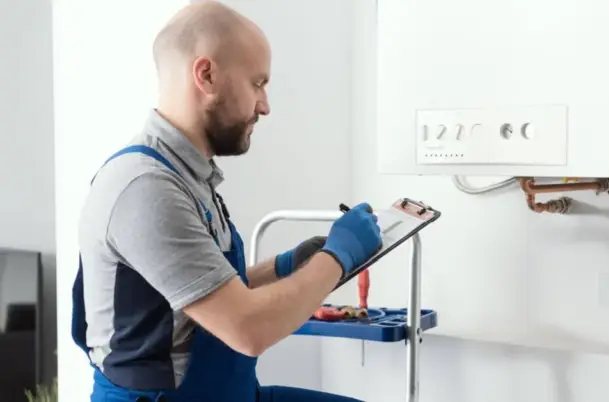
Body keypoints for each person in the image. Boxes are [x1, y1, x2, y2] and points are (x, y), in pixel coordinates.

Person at [70, 1, 382, 401]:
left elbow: (202, 291)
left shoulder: (186, 175)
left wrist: (287, 265)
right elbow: (248, 328)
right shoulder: (146, 188)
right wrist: (338, 256)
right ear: (206, 75)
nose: (265, 105)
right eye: (257, 84)